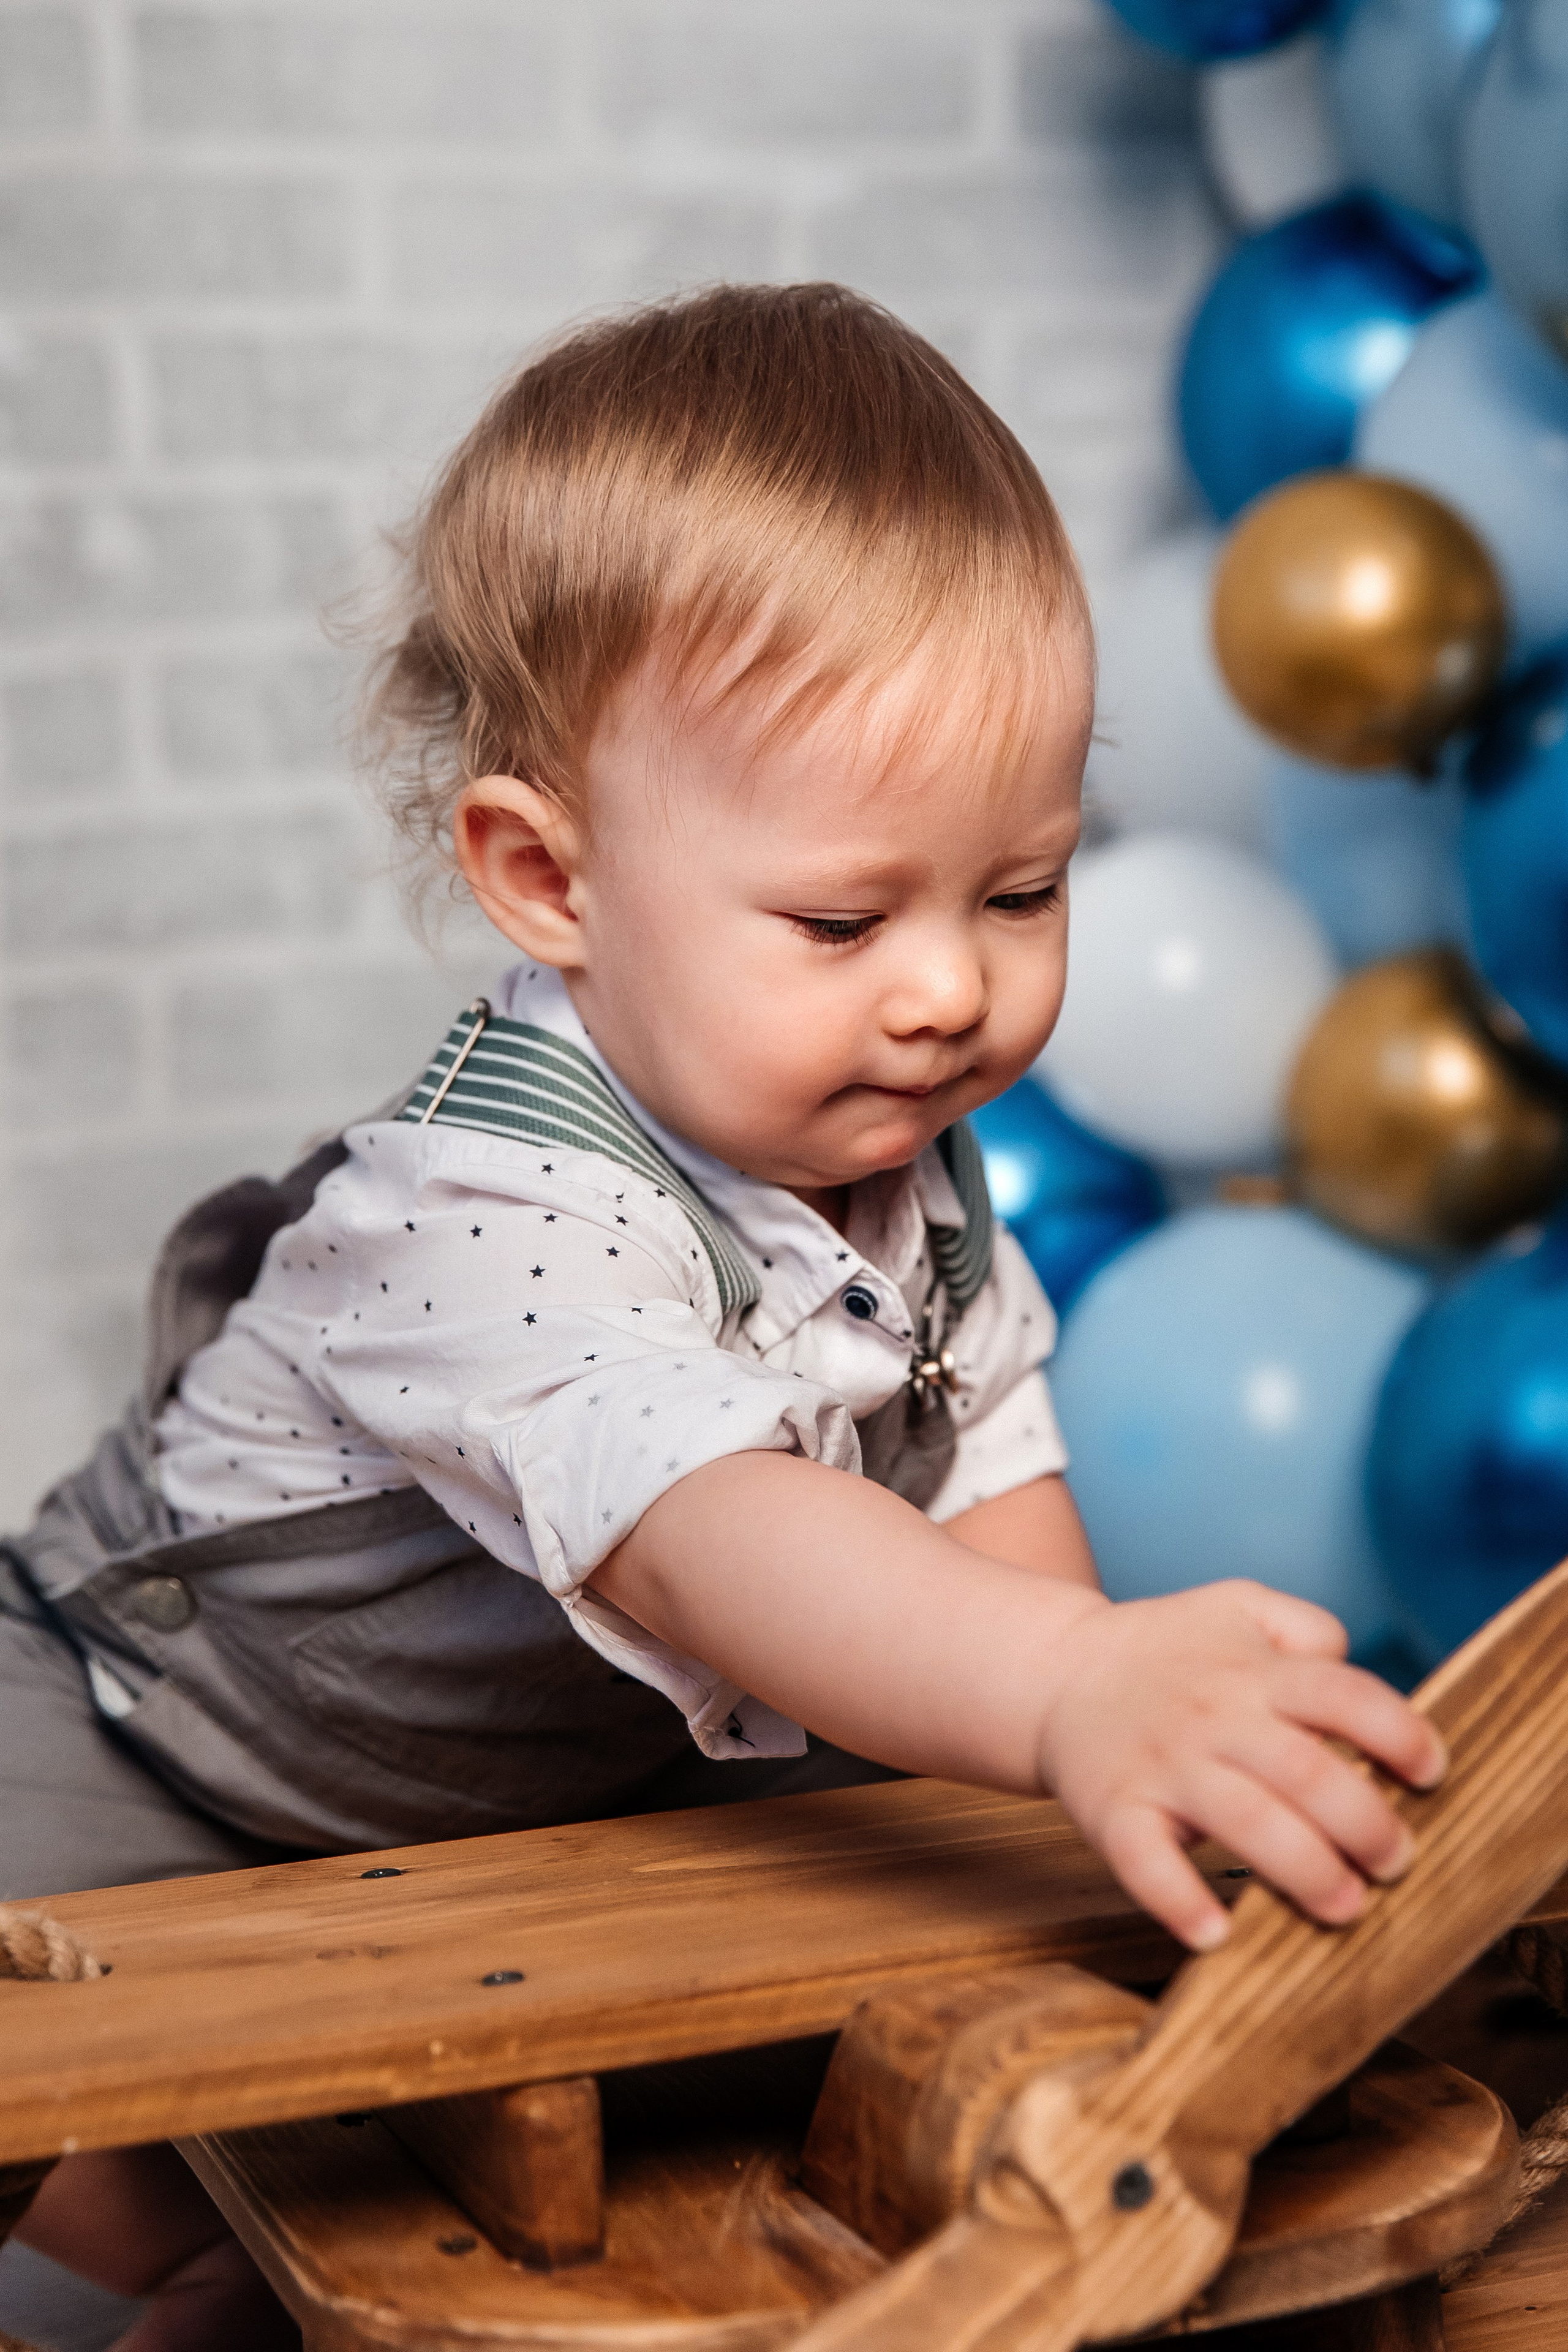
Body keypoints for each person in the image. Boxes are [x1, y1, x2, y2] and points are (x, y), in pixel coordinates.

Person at [0, 284, 1444, 2351]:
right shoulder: (488, 1205)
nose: (948, 990)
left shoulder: (901, 1154)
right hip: (167, 1736)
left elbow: (984, 1461)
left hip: (552, 1791)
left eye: (1022, 891)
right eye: (845, 919)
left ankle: (278, 2251)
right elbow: (714, 1529)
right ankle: (173, 2239)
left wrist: (1095, 1764)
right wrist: (1065, 1688)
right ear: (549, 880)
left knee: (821, 1958)